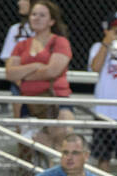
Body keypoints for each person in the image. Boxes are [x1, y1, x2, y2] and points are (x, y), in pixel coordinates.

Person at [6, 1, 73, 155]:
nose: (36, 18)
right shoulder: (22, 45)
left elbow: (53, 71)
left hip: (55, 100)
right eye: (34, 14)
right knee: (33, 147)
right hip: (30, 103)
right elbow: (10, 73)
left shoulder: (59, 42)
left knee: (60, 142)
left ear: (52, 21)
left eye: (42, 15)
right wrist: (35, 66)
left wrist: (24, 75)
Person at [86, 11, 117, 175]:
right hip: (104, 112)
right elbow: (95, 67)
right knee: (104, 156)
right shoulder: (98, 48)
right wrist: (106, 44)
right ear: (107, 31)